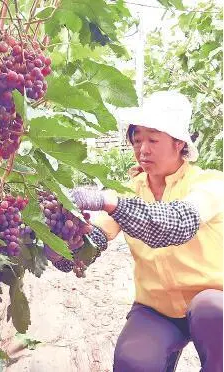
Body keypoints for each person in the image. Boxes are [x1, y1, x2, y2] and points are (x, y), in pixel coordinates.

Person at [70, 91, 223, 372]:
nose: (143, 149)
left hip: (213, 300)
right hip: (157, 310)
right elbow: (94, 240)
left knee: (213, 311)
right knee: (134, 361)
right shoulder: (130, 191)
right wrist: (66, 244)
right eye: (137, 140)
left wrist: (108, 201)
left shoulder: (210, 184)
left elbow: (176, 224)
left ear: (179, 144)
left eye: (153, 139)